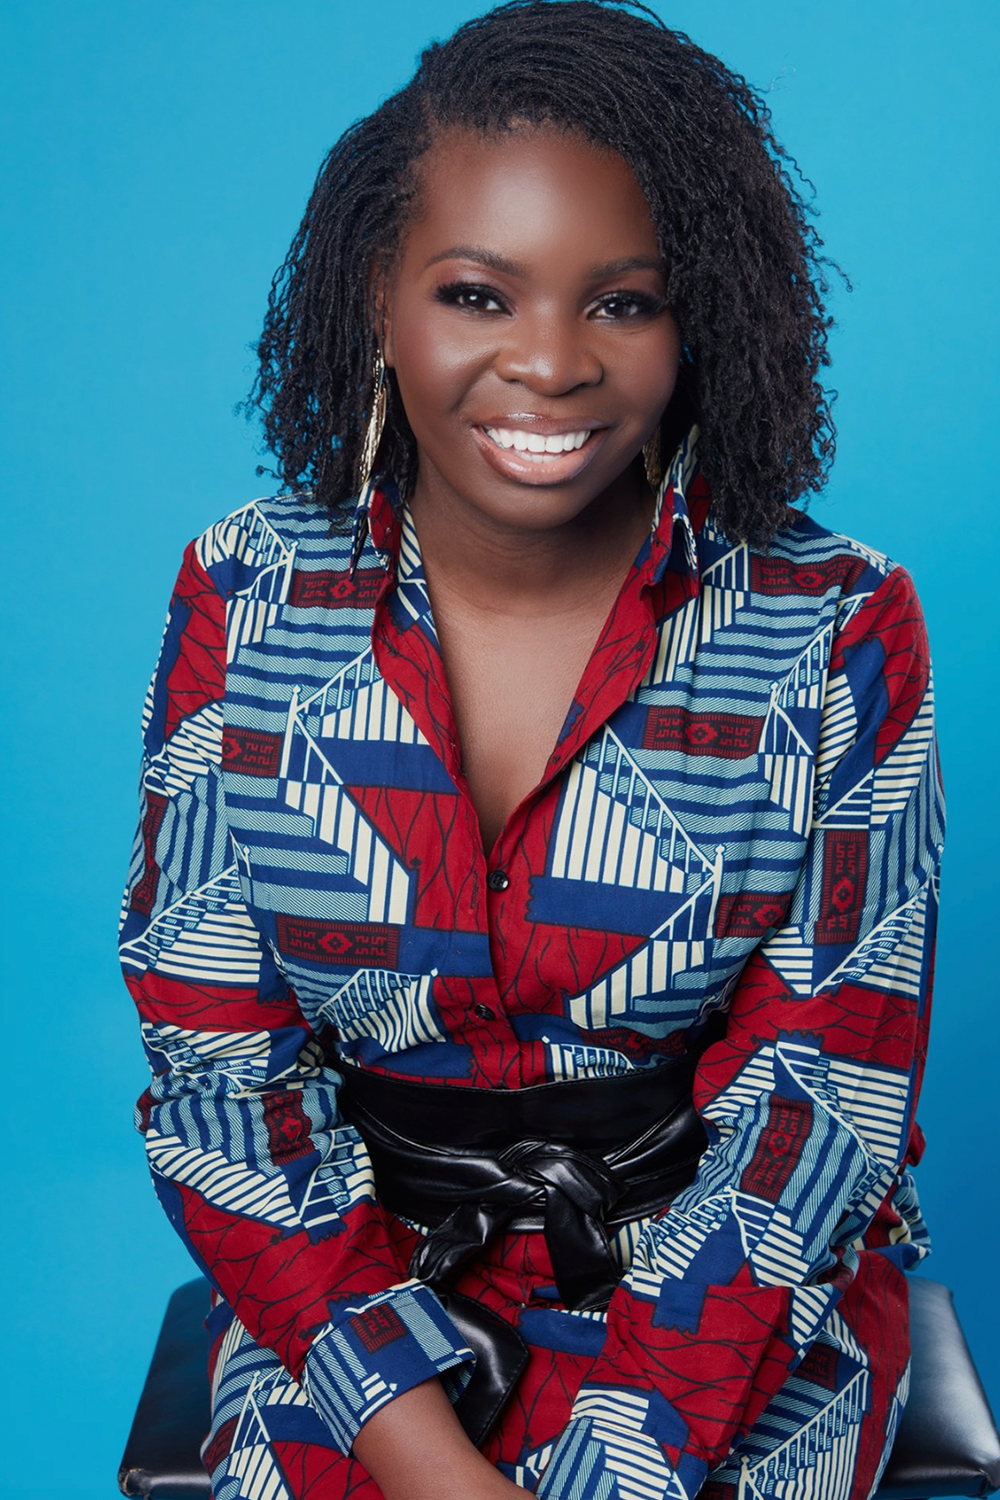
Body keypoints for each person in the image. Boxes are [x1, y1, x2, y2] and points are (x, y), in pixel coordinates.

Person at [118, 3, 944, 1498]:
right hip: (359, 1304)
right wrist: (423, 1454)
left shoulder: (836, 625)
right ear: (381, 296)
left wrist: (620, 1461)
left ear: (702, 320)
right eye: (480, 295)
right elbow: (219, 1082)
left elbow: (823, 1100)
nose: (551, 364)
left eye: (622, 302)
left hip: (726, 1308)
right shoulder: (244, 602)